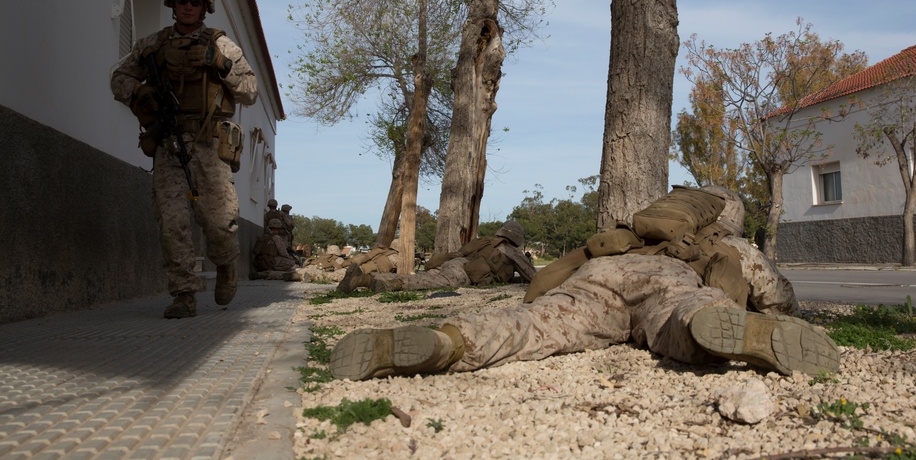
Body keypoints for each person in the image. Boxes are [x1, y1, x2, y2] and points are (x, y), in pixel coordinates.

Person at [328, 187, 839, 380]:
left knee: (530, 324)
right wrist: (789, 315)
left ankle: (449, 341)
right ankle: (712, 324)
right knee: (685, 312)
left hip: (599, 276)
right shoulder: (725, 243)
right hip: (667, 280)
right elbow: (778, 295)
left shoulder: (632, 231)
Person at [110, 0, 258, 318]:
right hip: (168, 143)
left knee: (218, 222)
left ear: (205, 6)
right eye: (181, 0)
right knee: (172, 220)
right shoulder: (153, 46)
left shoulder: (221, 45)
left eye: (195, 1)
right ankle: (184, 294)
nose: (188, 6)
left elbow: (250, 91)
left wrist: (221, 65)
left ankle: (227, 264)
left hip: (209, 144)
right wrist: (139, 91)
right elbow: (119, 78)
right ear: (172, 4)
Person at [336, 221, 535, 294]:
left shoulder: (487, 241)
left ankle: (362, 278)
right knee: (424, 282)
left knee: (419, 277)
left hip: (454, 264)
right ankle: (388, 284)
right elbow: (533, 276)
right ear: (516, 238)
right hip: (462, 273)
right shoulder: (511, 251)